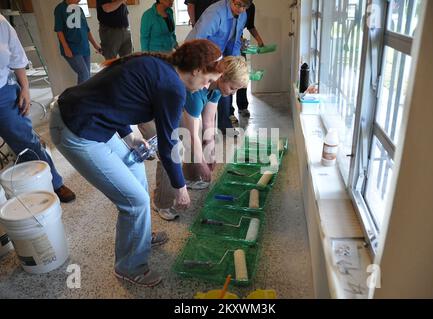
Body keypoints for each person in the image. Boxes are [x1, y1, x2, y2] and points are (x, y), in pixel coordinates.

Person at [49, 39, 223, 287]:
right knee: (134, 201)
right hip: (76, 128)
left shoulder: (165, 66)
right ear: (196, 70)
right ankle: (129, 267)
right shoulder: (173, 86)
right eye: (208, 80)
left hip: (89, 117)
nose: (207, 86)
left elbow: (112, 97)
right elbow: (168, 144)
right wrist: (180, 186)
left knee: (134, 166)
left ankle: (139, 236)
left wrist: (130, 135)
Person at [153, 56, 249, 221]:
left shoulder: (217, 89)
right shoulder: (197, 93)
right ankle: (161, 201)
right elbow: (191, 134)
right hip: (154, 107)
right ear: (222, 77)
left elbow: (209, 121)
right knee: (171, 150)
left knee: (196, 138)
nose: (233, 93)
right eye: (233, 88)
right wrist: (202, 163)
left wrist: (210, 152)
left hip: (177, 107)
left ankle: (187, 178)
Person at [0, 14, 76, 203]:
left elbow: (17, 57)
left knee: (25, 141)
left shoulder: (1, 23)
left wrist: (25, 88)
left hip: (3, 91)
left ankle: (55, 182)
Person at [185, 0, 252, 135]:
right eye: (238, 4)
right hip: (196, 55)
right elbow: (198, 41)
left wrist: (236, 64)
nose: (240, 9)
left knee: (225, 87)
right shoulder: (215, 13)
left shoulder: (243, 16)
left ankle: (223, 125)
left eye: (245, 7)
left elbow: (236, 42)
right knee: (197, 98)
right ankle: (192, 128)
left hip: (217, 56)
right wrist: (204, 69)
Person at [54, 0, 102, 84]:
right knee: (84, 74)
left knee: (87, 75)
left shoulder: (79, 9)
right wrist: (66, 48)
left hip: (84, 47)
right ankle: (80, 96)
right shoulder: (60, 9)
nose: (79, 0)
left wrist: (95, 45)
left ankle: (85, 96)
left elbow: (86, 29)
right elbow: (59, 30)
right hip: (72, 48)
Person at [236, 2, 265, 118]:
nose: (244, 9)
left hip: (239, 41)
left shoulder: (251, 7)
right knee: (228, 75)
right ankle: (227, 112)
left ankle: (243, 106)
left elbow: (250, 26)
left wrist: (259, 40)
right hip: (226, 41)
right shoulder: (229, 4)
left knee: (242, 74)